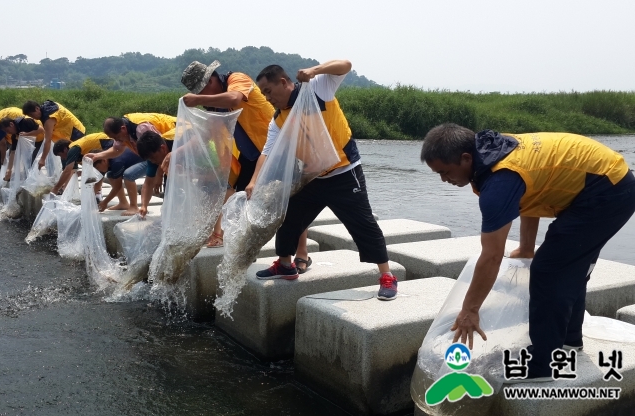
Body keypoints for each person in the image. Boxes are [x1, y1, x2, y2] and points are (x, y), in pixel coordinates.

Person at [420, 123, 635, 381]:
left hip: (608, 189)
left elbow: (491, 257)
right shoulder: (493, 151)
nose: (444, 180)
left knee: (550, 270)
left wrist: (470, 309)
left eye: (445, 172)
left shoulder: (499, 181)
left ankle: (543, 364)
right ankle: (569, 342)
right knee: (568, 266)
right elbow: (529, 194)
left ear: (466, 158)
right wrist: (526, 247)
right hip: (603, 179)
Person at [249, 60, 398, 301]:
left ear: (284, 83)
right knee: (289, 215)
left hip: (343, 172)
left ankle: (387, 276)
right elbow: (267, 152)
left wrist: (314, 70)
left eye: (268, 91)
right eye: (263, 93)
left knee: (364, 224)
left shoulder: (316, 88)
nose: (267, 98)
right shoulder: (277, 120)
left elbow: (346, 65)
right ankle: (286, 265)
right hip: (313, 178)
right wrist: (254, 181)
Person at [180, 60, 275, 249]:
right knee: (242, 199)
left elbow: (234, 99)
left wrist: (198, 100)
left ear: (212, 81)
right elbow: (206, 134)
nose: (202, 97)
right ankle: (233, 240)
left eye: (201, 92)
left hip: (273, 147)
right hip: (249, 156)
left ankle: (299, 252)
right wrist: (177, 153)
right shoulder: (215, 105)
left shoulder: (237, 79)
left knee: (288, 200)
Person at [87, 113, 176, 216]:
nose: (117, 141)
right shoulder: (125, 136)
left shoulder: (142, 129)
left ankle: (134, 206)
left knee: (131, 174)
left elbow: (160, 148)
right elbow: (117, 149)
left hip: (173, 145)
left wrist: (160, 173)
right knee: (167, 189)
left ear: (123, 128)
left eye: (116, 137)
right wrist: (97, 156)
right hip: (160, 156)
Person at [51, 134, 141, 210]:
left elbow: (67, 171)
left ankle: (133, 206)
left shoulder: (73, 149)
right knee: (109, 175)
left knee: (122, 176)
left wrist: (56, 188)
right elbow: (94, 172)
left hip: (111, 146)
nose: (62, 158)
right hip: (102, 154)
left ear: (65, 150)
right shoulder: (88, 156)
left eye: (61, 155)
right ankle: (123, 203)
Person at [22, 100, 86, 170]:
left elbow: (48, 140)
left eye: (32, 115)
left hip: (75, 133)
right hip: (69, 132)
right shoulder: (47, 106)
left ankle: (80, 174)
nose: (33, 118)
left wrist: (43, 159)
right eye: (30, 116)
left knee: (74, 159)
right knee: (69, 159)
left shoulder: (48, 118)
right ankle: (72, 174)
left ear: (37, 108)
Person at [134, 131, 172, 218]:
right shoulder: (153, 159)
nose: (153, 161)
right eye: (150, 159)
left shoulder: (178, 143)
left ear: (162, 148)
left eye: (153, 158)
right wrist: (144, 205)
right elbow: (148, 183)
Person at [0, 116, 45, 181]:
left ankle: (32, 179)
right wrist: (9, 169)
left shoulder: (26, 122)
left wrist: (27, 134)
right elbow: (13, 152)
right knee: (27, 161)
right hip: (31, 144)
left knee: (32, 161)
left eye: (7, 130)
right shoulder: (15, 136)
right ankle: (28, 179)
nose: (7, 133)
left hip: (41, 140)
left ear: (11, 124)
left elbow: (41, 129)